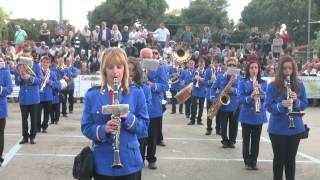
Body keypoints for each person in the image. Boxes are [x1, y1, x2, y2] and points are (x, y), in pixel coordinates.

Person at [81, 47, 148, 180]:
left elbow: (144, 128)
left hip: (129, 162)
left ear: (125, 69)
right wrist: (103, 129)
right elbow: (86, 127)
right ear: (104, 70)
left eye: (119, 66)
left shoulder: (137, 93)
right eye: (110, 67)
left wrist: (128, 118)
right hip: (103, 163)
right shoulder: (92, 95)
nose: (115, 71)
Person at [265, 57, 308, 180]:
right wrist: (281, 105)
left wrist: (296, 101)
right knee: (279, 159)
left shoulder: (299, 84)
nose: (287, 71)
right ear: (280, 70)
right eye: (284, 68)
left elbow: (304, 104)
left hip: (295, 129)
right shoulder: (273, 85)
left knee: (290, 160)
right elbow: (268, 106)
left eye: (290, 68)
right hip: (277, 129)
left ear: (294, 69)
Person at [140, 48, 169, 169]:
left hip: (154, 107)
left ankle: (151, 159)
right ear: (140, 57)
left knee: (152, 137)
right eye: (144, 57)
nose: (146, 59)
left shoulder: (160, 67)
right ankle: (139, 159)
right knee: (140, 136)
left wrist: (152, 85)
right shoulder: (136, 67)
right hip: (140, 106)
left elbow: (165, 86)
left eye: (149, 57)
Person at [237, 60, 268, 170]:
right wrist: (250, 97)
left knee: (256, 140)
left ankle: (254, 161)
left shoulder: (263, 83)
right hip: (246, 115)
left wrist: (260, 89)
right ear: (248, 70)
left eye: (256, 68)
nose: (254, 70)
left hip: (258, 115)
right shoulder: (242, 82)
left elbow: (267, 99)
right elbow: (239, 98)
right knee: (246, 140)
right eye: (252, 68)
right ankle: (247, 161)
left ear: (258, 69)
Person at [127, 57, 151, 180]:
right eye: (128, 69)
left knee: (137, 166)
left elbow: (146, 111)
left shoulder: (143, 89)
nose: (130, 73)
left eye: (133, 70)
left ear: (137, 72)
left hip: (138, 133)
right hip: (126, 134)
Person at [14, 48, 43, 144]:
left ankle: (32, 137)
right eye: (24, 57)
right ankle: (25, 137)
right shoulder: (18, 67)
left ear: (31, 56)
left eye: (28, 56)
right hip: (23, 97)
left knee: (34, 119)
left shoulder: (37, 66)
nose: (26, 58)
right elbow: (17, 82)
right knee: (24, 120)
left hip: (34, 97)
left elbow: (40, 81)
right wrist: (21, 77)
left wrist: (30, 77)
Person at [210, 58, 240, 148]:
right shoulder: (220, 76)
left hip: (235, 104)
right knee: (223, 123)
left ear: (236, 66)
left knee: (234, 124)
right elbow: (213, 88)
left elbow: (243, 91)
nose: (231, 67)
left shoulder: (240, 77)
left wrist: (234, 90)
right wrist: (212, 97)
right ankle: (224, 140)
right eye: (230, 65)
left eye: (233, 65)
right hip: (222, 103)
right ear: (226, 66)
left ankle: (232, 141)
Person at [38, 56, 58, 133]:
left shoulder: (52, 73)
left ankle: (44, 127)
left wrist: (49, 82)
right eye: (44, 62)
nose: (45, 64)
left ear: (49, 63)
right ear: (41, 63)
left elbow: (56, 84)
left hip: (48, 97)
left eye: (47, 62)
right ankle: (38, 127)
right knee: (37, 113)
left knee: (47, 114)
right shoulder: (38, 72)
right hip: (39, 96)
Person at [0, 56, 13, 166]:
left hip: (1, 108)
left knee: (0, 134)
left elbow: (10, 88)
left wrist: (1, 89)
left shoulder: (5, 72)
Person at [188, 59, 206, 125]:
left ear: (204, 65)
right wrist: (194, 78)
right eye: (200, 64)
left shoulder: (206, 71)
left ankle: (199, 120)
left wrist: (200, 79)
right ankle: (192, 120)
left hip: (202, 91)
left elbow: (206, 81)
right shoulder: (195, 71)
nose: (201, 66)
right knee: (193, 106)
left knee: (201, 107)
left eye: (202, 64)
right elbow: (191, 79)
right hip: (195, 90)